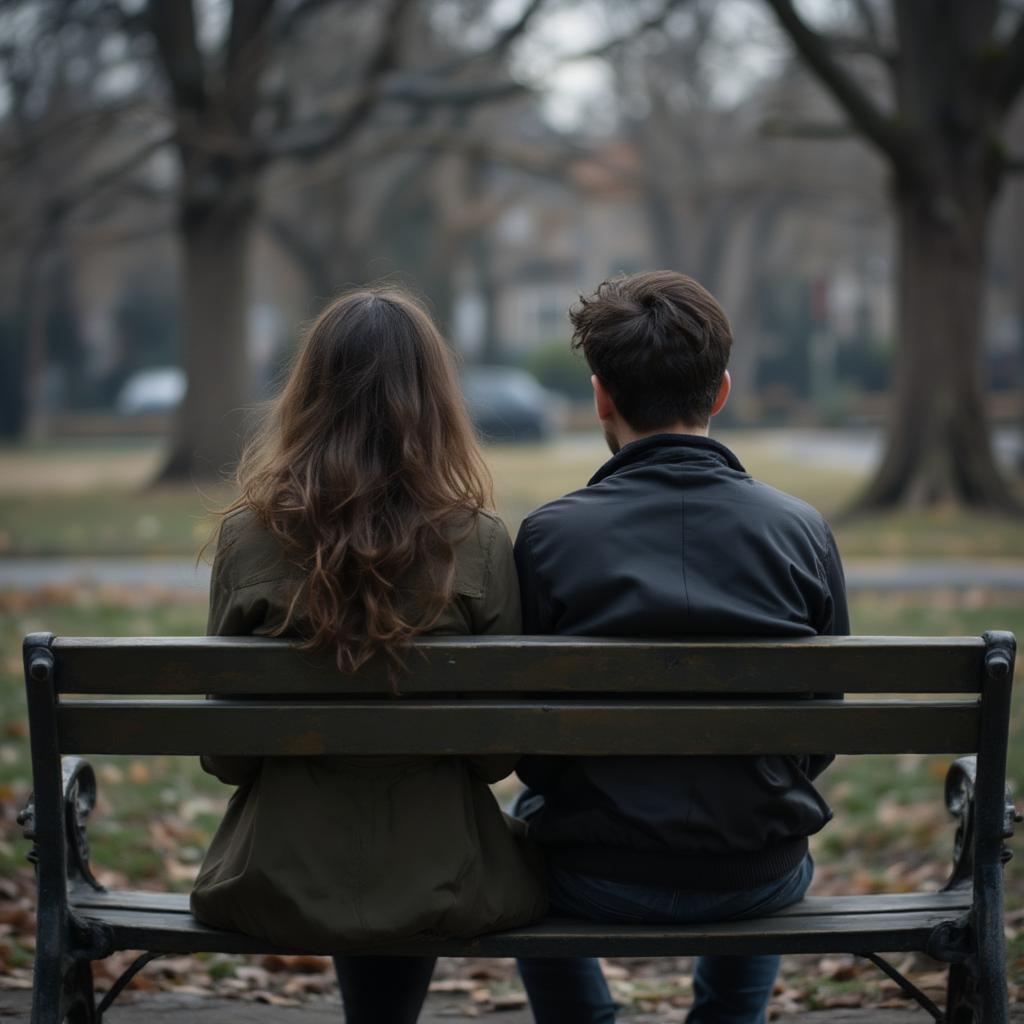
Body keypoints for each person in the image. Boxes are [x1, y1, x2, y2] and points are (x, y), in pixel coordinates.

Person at [189, 286, 546, 1024]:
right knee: (411, 856)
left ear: (308, 394)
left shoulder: (247, 537)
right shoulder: (477, 540)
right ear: (435, 401)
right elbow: (493, 759)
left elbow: (226, 757)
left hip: (279, 874)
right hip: (444, 876)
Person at [513, 270, 849, 1024]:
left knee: (512, 844)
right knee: (760, 807)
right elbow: (822, 725)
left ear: (601, 395)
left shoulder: (548, 537)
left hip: (591, 871)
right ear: (722, 391)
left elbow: (527, 741)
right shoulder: (800, 530)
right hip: (756, 870)